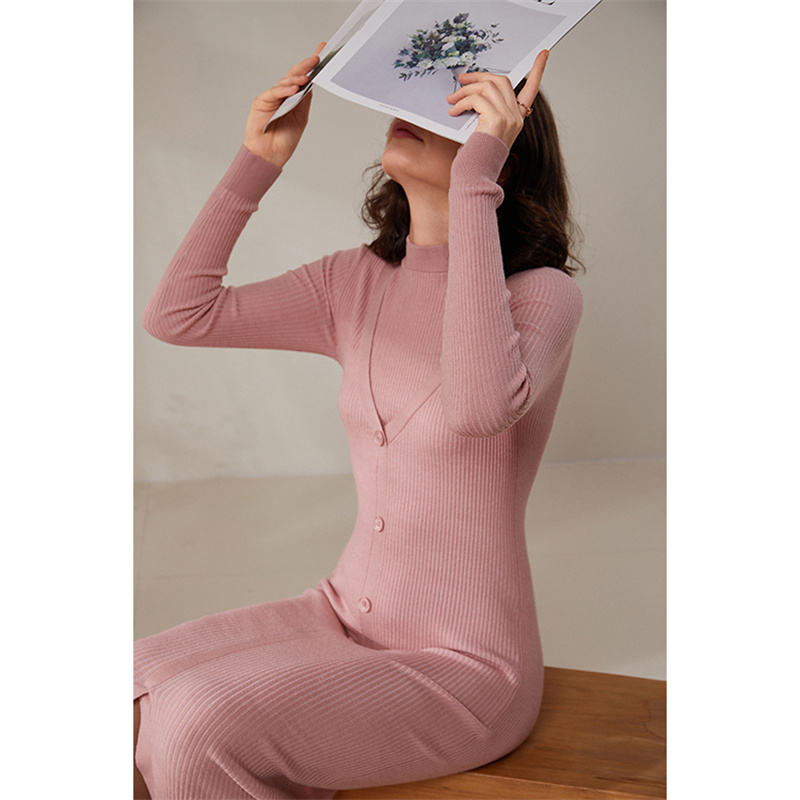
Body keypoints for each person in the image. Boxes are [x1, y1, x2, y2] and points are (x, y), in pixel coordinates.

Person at [134, 40, 585, 800]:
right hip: (339, 613)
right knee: (127, 684)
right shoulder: (354, 281)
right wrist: (257, 163)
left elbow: (479, 409)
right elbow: (178, 315)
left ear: (503, 148)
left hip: (467, 665)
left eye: (453, 107)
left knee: (198, 718)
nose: (411, 112)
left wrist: (475, 182)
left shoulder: (541, 296)